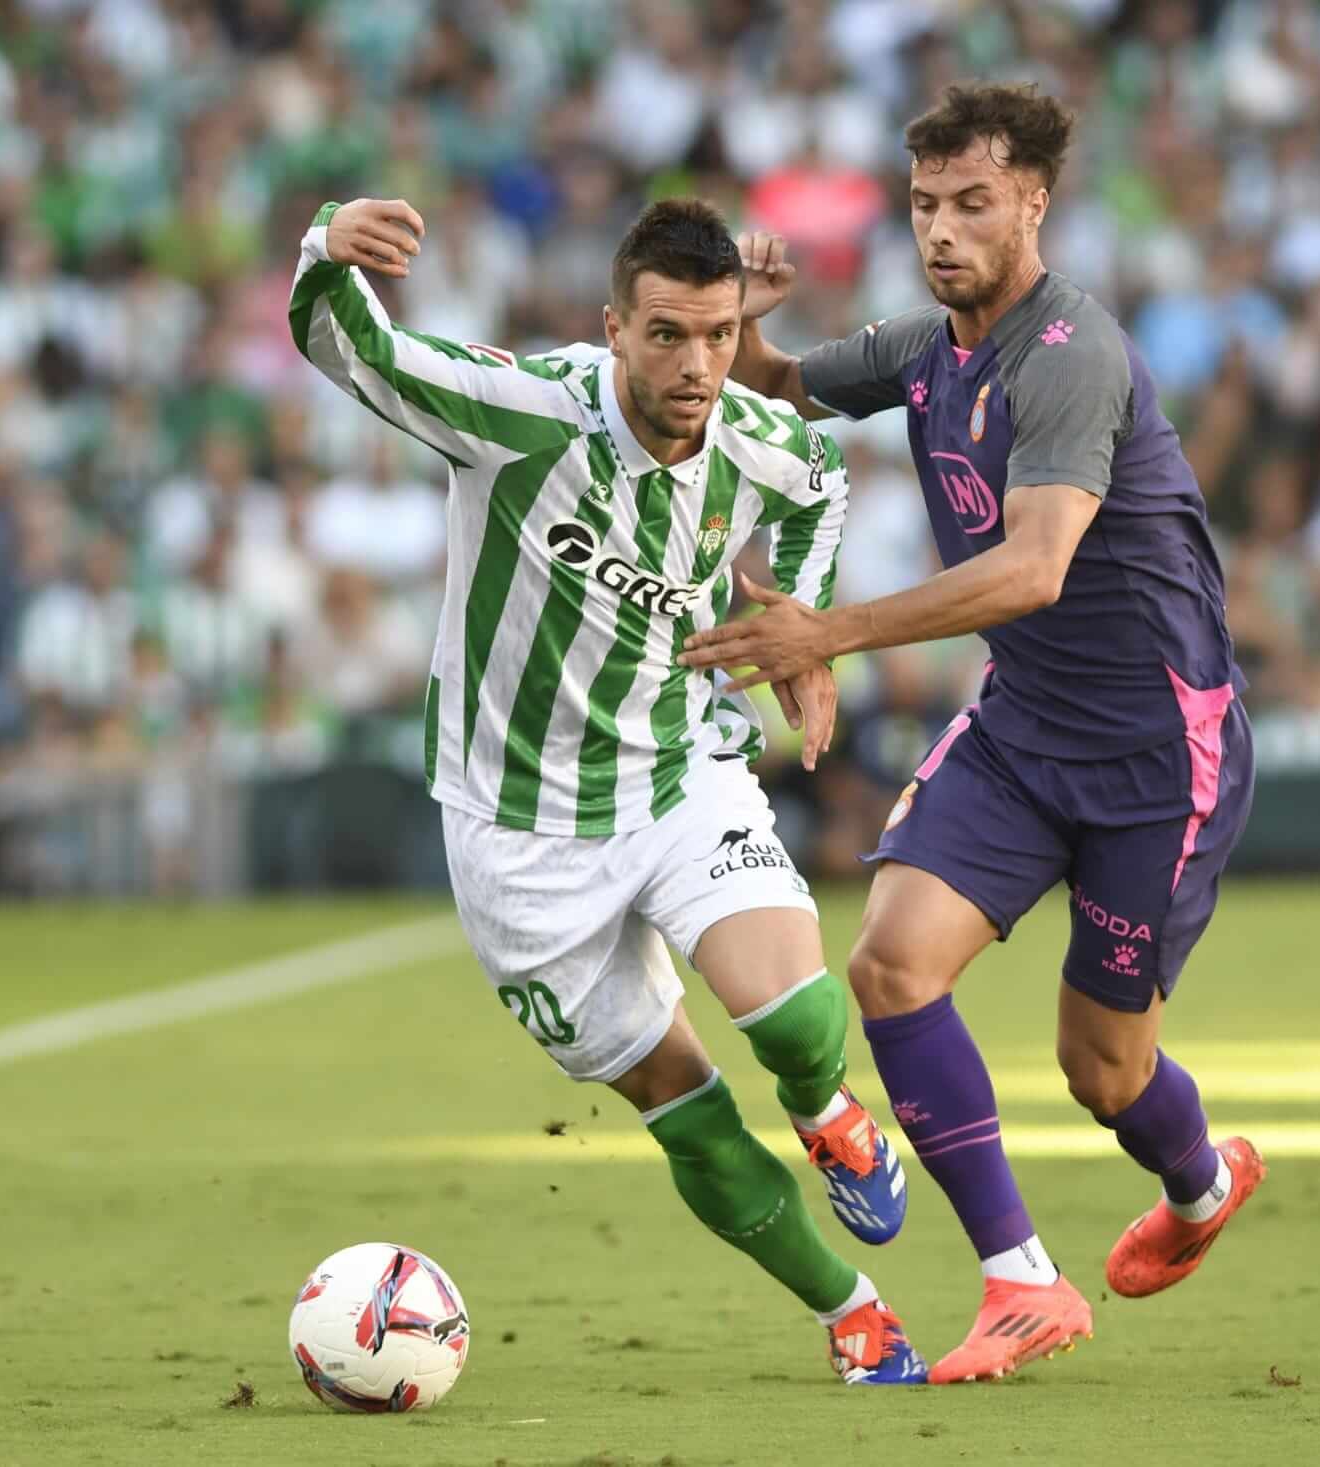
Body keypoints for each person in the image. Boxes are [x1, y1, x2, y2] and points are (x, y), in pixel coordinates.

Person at [683, 83, 1264, 1384]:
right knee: (890, 965)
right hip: (1021, 724)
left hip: (1155, 754)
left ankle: (1198, 1174)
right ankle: (1021, 1277)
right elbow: (772, 387)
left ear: (1033, 203)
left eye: (972, 203)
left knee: (1103, 1069)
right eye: (925, 204)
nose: (941, 230)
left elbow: (1035, 567)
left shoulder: (1071, 354)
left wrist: (825, 633)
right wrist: (741, 327)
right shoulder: (922, 347)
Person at [288, 194, 923, 1383]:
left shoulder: (749, 433)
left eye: (720, 335)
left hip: (676, 771)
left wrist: (798, 630)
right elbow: (356, 348)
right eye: (669, 335)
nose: (697, 366)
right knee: (680, 1101)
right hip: (514, 835)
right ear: (612, 329)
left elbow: (821, 478)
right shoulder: (524, 413)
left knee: (787, 1018)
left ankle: (832, 1112)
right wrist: (326, 245)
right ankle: (854, 1314)